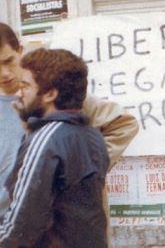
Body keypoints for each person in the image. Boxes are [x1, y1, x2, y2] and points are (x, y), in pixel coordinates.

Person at [0, 23, 139, 226]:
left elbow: (123, 124)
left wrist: (81, 168)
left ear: (19, 51)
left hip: (60, 227)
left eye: (9, 61)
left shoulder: (50, 90)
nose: (4, 73)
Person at [0, 48, 109, 247]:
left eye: (25, 86)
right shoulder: (92, 136)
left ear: (50, 94)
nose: (19, 94)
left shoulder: (45, 140)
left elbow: (22, 223)